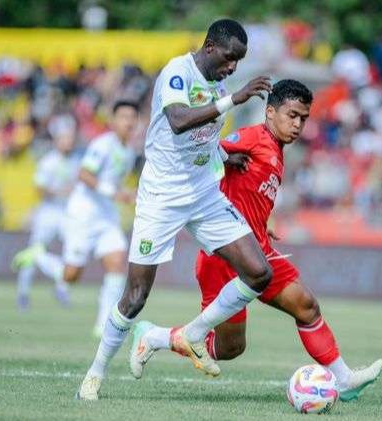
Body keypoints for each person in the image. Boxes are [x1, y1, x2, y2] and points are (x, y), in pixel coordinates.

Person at [129, 79, 382, 401]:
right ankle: (154, 336)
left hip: (258, 246)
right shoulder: (253, 137)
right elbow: (206, 149)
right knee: (231, 347)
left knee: (306, 306)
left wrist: (263, 222)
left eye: (303, 118)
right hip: (225, 255)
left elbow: (247, 191)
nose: (297, 124)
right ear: (270, 111)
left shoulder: (277, 151)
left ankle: (343, 380)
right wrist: (219, 158)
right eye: (291, 115)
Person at [76, 19, 276, 400]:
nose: (233, 68)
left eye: (238, 62)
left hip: (204, 194)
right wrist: (235, 98)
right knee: (135, 297)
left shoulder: (217, 81)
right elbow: (180, 121)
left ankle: (193, 333)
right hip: (161, 198)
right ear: (212, 47)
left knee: (258, 272)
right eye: (231, 59)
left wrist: (222, 156)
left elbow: (202, 136)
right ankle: (95, 373)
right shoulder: (177, 72)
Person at [13, 102, 139, 336]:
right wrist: (116, 193)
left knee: (117, 263)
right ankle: (38, 256)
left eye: (132, 117)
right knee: (71, 275)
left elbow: (113, 181)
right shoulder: (102, 145)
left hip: (107, 215)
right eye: (123, 116)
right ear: (112, 121)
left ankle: (103, 325)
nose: (128, 122)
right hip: (84, 213)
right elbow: (84, 175)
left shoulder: (129, 151)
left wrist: (126, 194)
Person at [12, 115, 80, 311]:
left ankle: (62, 288)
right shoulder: (48, 162)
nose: (69, 142)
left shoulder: (77, 160)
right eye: (65, 138)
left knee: (72, 251)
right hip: (49, 212)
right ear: (57, 140)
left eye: (71, 138)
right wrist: (61, 191)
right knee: (33, 252)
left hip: (68, 212)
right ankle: (23, 292)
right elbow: (40, 189)